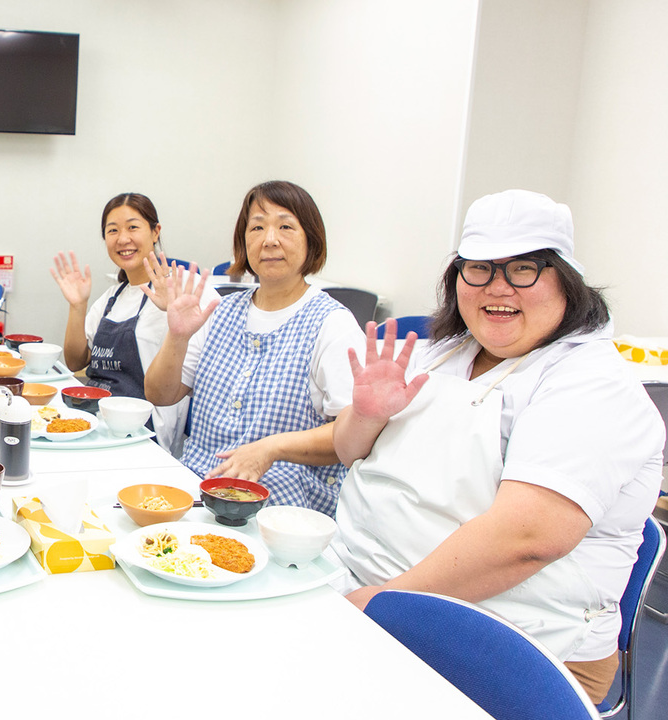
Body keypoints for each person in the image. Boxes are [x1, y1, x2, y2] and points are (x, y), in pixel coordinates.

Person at [330, 189, 663, 704]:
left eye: (523, 268)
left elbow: (525, 538)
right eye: (479, 268)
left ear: (566, 280)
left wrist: (376, 604)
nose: (497, 287)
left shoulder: (593, 385)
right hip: (362, 578)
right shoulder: (447, 352)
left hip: (503, 637)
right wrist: (369, 415)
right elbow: (349, 451)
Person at [143, 181, 363, 513]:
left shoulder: (332, 323)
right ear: (243, 242)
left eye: (285, 226)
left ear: (312, 240)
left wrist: (272, 449)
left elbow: (355, 432)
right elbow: (160, 395)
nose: (270, 239)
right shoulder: (221, 312)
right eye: (257, 227)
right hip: (196, 491)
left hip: (282, 508)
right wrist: (177, 337)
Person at [50, 193, 214, 454]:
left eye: (133, 227)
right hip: (96, 420)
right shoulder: (113, 297)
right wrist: (77, 306)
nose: (122, 239)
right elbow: (75, 362)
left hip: (143, 434)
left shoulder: (184, 293)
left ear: (155, 231)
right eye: (112, 230)